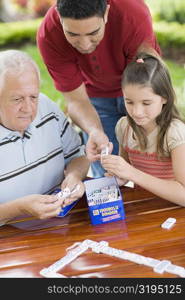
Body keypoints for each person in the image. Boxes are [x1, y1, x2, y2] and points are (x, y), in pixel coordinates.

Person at [37, 0, 160, 178]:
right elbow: (76, 100)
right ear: (58, 16)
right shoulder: (49, 35)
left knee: (154, 167)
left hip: (141, 91)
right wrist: (94, 131)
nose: (85, 44)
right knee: (105, 173)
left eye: (93, 33)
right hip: (94, 98)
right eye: (73, 34)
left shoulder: (132, 14)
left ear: (106, 13)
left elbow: (149, 82)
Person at [0, 50, 89, 225]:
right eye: (17, 99)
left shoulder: (48, 108)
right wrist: (19, 208)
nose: (28, 108)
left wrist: (74, 175)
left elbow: (79, 156)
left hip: (61, 225)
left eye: (33, 97)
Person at [101, 52, 185, 206]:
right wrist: (119, 174)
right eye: (129, 102)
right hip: (142, 207)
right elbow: (126, 171)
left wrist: (132, 173)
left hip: (173, 213)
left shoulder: (175, 133)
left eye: (146, 103)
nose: (136, 112)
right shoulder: (124, 127)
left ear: (164, 97)